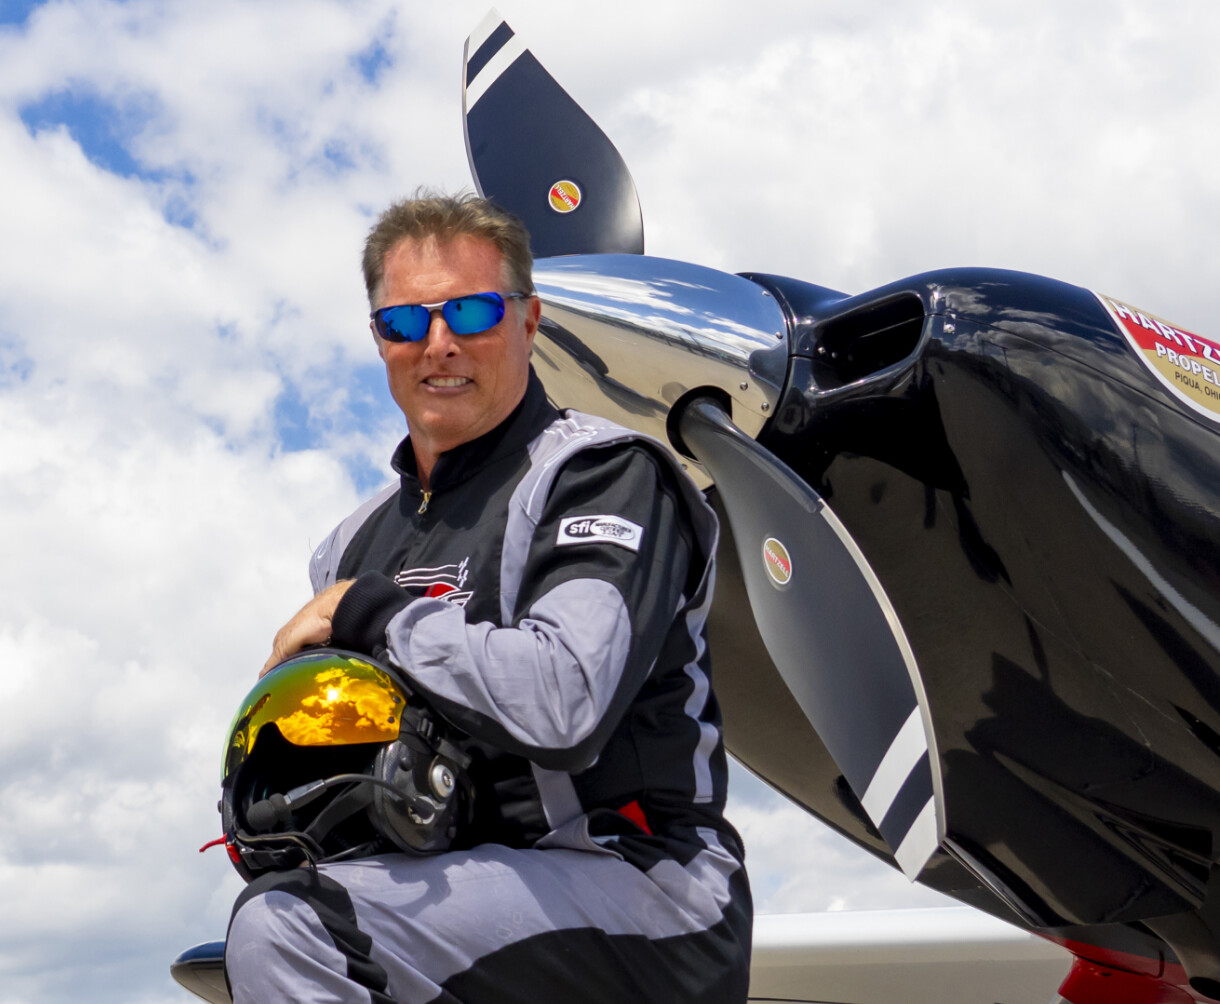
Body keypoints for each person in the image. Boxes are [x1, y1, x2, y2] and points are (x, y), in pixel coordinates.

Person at [224, 193, 752, 1003]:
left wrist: (373, 614)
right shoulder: (351, 543)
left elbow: (565, 704)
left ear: (530, 320)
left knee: (292, 929)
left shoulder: (602, 474)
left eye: (471, 311)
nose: (440, 344)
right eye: (406, 323)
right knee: (274, 911)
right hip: (458, 886)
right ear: (379, 340)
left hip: (643, 884)